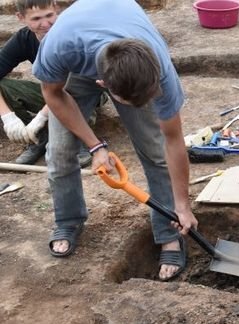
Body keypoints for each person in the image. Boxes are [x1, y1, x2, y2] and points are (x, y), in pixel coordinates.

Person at [32, 0, 197, 281]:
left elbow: (173, 140)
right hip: (78, 61)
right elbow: (52, 93)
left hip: (128, 55)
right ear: (103, 86)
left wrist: (183, 205)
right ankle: (68, 220)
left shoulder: (160, 70)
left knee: (155, 151)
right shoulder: (60, 46)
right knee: (59, 152)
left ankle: (169, 235)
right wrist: (95, 146)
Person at [0, 0, 92, 166]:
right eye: (36, 19)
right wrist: (7, 116)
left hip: (84, 96)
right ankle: (37, 138)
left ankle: (76, 140)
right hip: (52, 92)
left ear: (56, 8)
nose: (45, 24)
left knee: (75, 87)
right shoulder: (24, 39)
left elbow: (74, 83)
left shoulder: (71, 34)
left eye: (49, 15)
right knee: (5, 86)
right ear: (21, 17)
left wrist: (41, 117)